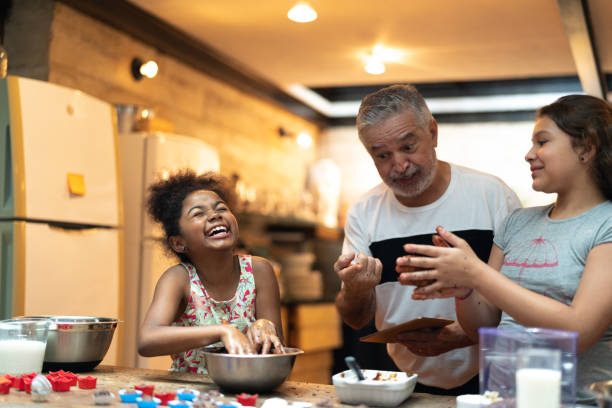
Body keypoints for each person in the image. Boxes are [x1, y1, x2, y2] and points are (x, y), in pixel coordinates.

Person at [397, 94, 612, 404]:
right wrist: (465, 289)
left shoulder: (605, 223)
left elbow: (576, 333)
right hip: (502, 399)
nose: (529, 154)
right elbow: (484, 326)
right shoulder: (517, 223)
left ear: (586, 148)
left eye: (542, 141)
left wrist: (477, 273)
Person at [334, 84, 521, 395]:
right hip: (399, 378)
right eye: (382, 155)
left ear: (432, 133)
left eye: (408, 147)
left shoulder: (493, 196)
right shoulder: (363, 213)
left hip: (493, 376)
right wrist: (356, 288)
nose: (399, 165)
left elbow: (525, 300)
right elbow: (356, 318)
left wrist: (466, 334)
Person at [138, 170, 285, 374]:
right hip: (190, 395)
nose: (215, 215)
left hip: (247, 393)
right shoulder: (179, 279)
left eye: (221, 208)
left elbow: (279, 357)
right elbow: (147, 340)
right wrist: (222, 331)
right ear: (178, 242)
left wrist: (265, 326)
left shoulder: (259, 271)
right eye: (198, 213)